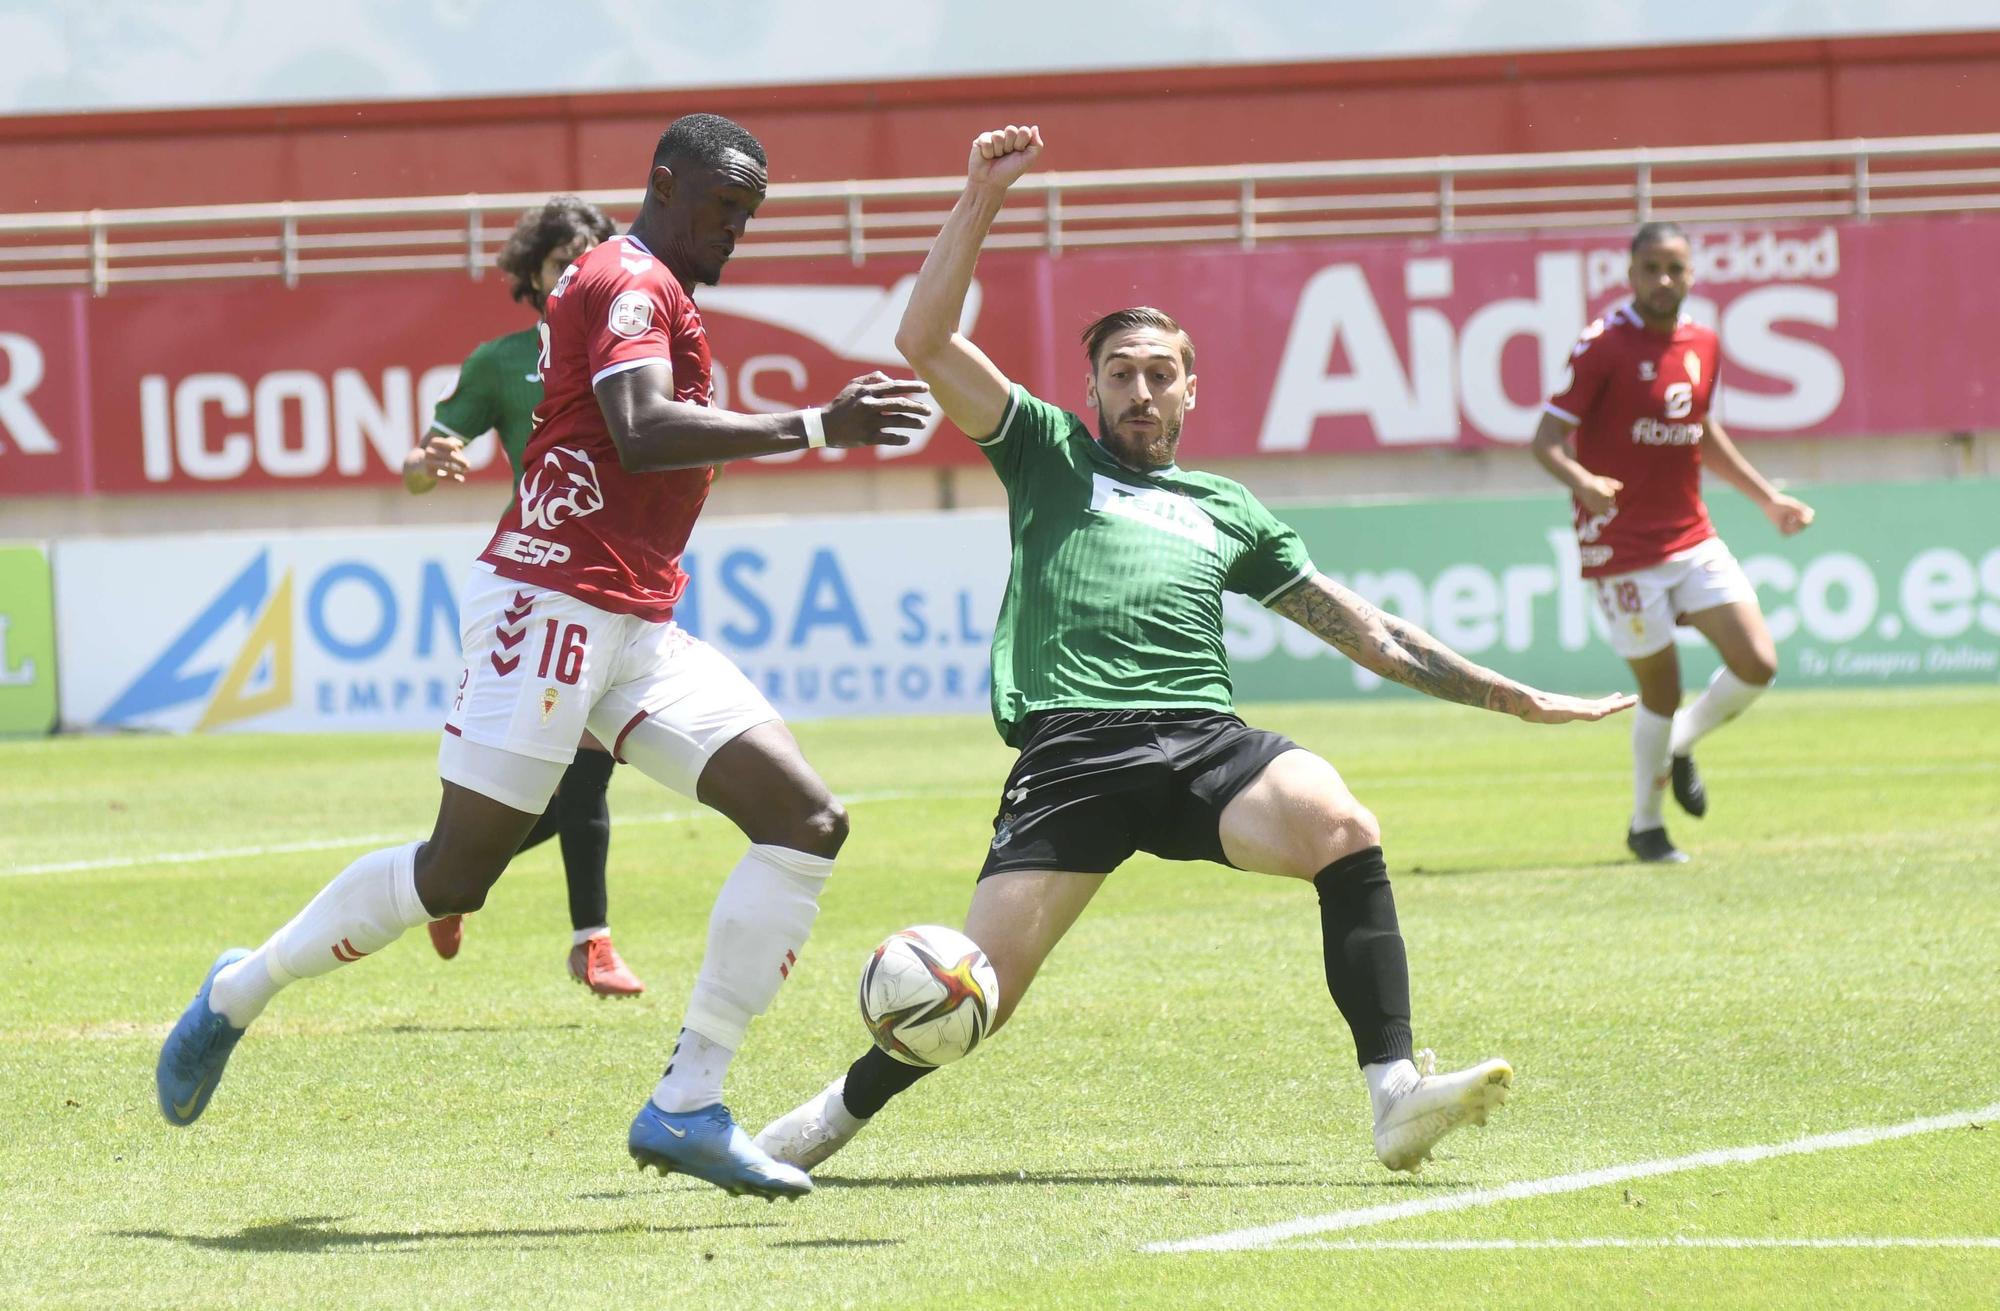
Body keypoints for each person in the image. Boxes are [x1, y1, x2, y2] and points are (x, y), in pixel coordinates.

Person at [753, 125, 1634, 1178]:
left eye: (1156, 373)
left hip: (1205, 745)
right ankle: (821, 1124)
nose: (1136, 390)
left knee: (1341, 825)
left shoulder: (1227, 511)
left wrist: (1511, 699)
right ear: (1090, 393)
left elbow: (1370, 630)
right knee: (976, 990)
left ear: (1188, 390)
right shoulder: (1047, 454)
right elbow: (927, 340)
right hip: (1074, 752)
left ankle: (1394, 1095)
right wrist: (980, 196)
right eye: (1117, 373)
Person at [156, 112, 932, 1202]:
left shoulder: (657, 283)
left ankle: (687, 1106)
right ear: (665, 185)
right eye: (723, 208)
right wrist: (815, 426)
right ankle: (238, 990)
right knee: (453, 874)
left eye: (749, 215)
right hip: (549, 602)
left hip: (635, 623)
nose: (736, 230)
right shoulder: (627, 280)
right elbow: (640, 428)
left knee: (805, 820)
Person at [401, 195, 644, 998]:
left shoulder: (628, 351)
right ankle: (590, 940)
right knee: (583, 775)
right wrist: (426, 466)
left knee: (576, 781)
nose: (574, 274)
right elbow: (424, 456)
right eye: (558, 264)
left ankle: (451, 875)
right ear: (532, 278)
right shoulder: (502, 363)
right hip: (543, 586)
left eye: (588, 259)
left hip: (625, 579)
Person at [1531, 220, 1815, 864]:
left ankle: (1681, 741)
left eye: (1676, 268)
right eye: (1652, 268)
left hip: (1691, 535)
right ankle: (1646, 825)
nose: (1664, 280)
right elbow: (1544, 440)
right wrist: (1583, 482)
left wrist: (1767, 498)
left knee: (1758, 663)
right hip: (1621, 547)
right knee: (1660, 689)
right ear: (1630, 275)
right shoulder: (1602, 344)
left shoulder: (1704, 342)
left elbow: (1700, 430)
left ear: (1691, 275)